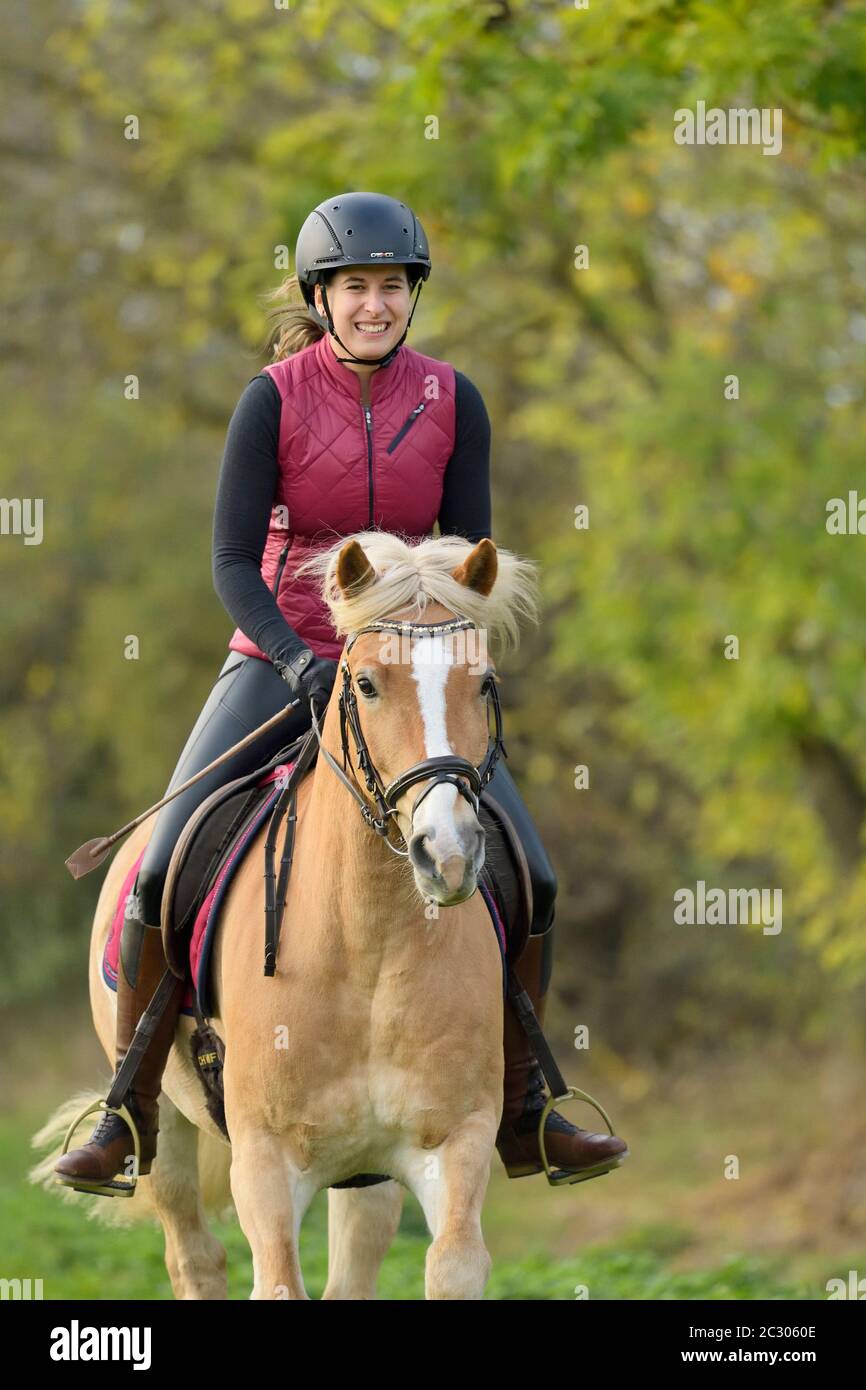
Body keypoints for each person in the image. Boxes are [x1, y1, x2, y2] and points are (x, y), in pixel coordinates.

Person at [56, 192, 627, 1193]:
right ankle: (128, 1111)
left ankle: (528, 1105)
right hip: (282, 658)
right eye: (355, 287)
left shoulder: (455, 401)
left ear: (412, 296)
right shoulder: (269, 399)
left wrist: (434, 662)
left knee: (530, 872)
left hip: (409, 677)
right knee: (161, 863)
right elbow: (233, 558)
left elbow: (464, 564)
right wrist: (293, 657)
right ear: (320, 296)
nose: (374, 305)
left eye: (391, 287)